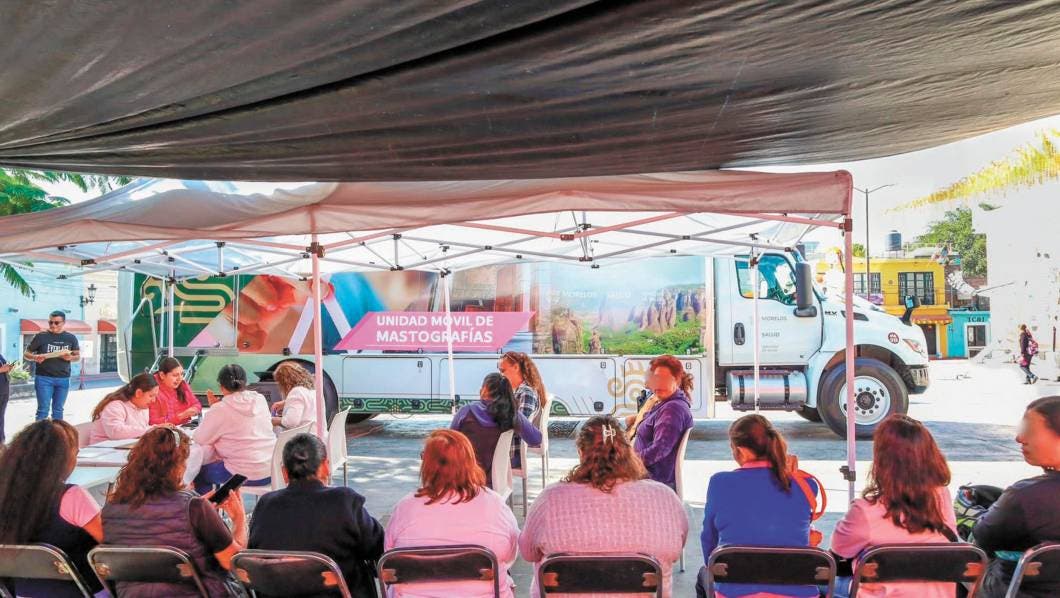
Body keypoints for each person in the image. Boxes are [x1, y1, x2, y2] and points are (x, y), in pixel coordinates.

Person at [520, 415, 687, 597]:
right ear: (628, 451)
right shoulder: (664, 499)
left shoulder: (549, 500)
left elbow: (528, 552)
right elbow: (677, 548)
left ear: (581, 453)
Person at [102, 426, 248, 597]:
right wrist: (239, 520)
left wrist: (202, 514)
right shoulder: (193, 507)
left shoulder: (111, 507)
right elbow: (235, 563)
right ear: (178, 464)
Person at [830, 414, 957, 598]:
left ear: (882, 461)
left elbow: (837, 554)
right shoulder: (941, 496)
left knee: (822, 584)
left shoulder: (865, 511)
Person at [385, 430, 519, 598]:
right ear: (470, 462)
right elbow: (511, 553)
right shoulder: (495, 505)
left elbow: (390, 559)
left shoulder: (405, 508)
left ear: (428, 465)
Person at [248, 433, 384, 596]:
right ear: (325, 466)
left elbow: (255, 555)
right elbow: (378, 547)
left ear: (284, 473)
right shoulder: (344, 501)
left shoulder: (265, 505)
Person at [699, 414, 819, 598]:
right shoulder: (807, 485)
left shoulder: (719, 483)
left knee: (703, 577)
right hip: (798, 592)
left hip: (735, 591)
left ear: (742, 451)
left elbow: (709, 541)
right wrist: (790, 473)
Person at [0, 420, 103, 598]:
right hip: (81, 591)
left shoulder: (4, 495)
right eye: (75, 453)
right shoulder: (71, 496)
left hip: (20, 592)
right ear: (61, 459)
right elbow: (109, 544)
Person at [972, 395, 1060, 598]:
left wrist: (974, 514)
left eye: (1029, 430)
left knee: (969, 563)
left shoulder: (1026, 495)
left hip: (1026, 591)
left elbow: (984, 537)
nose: (1020, 438)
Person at [193, 364, 276, 494]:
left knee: (199, 473)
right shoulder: (260, 400)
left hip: (241, 474)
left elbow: (200, 438)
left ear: (221, 386)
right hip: (271, 470)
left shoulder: (220, 409)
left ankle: (208, 513)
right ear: (246, 383)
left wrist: (214, 408)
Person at [450, 372, 541, 487]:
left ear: (485, 389)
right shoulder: (512, 414)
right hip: (497, 482)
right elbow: (536, 439)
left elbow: (449, 440)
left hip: (466, 480)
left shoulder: (466, 411)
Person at [632, 354, 694, 490]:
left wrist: (628, 462)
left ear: (677, 380)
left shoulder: (672, 409)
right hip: (649, 476)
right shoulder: (666, 403)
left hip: (653, 481)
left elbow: (660, 449)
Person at [24, 310, 80, 421]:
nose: (53, 325)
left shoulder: (71, 338)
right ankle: (39, 437)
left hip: (63, 379)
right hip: (44, 378)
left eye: (56, 323)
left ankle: (56, 437)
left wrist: (70, 358)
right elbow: (26, 354)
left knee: (58, 410)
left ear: (63, 323)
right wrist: (35, 357)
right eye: (50, 322)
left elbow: (77, 356)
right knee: (43, 410)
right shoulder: (41, 337)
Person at [87, 372, 158, 444]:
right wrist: (151, 429)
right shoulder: (115, 405)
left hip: (124, 448)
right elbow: (115, 432)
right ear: (138, 393)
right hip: (103, 450)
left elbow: (140, 431)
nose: (154, 400)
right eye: (151, 396)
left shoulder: (144, 407)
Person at [150, 356, 201, 425]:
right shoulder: (152, 392)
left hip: (184, 428)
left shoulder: (183, 385)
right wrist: (180, 416)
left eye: (182, 374)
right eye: (175, 375)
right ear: (162, 375)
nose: (180, 378)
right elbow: (153, 422)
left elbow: (196, 403)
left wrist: (195, 409)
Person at [269, 361, 316, 431]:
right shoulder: (313, 391)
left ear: (285, 382)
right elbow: (305, 402)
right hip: (316, 435)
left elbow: (291, 422)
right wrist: (286, 402)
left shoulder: (296, 392)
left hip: (303, 438)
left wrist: (274, 420)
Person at [0, 350, 11, 445]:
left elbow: (4, 366)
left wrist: (8, 367)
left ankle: (1, 442)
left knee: (1, 417)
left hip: (3, 390)